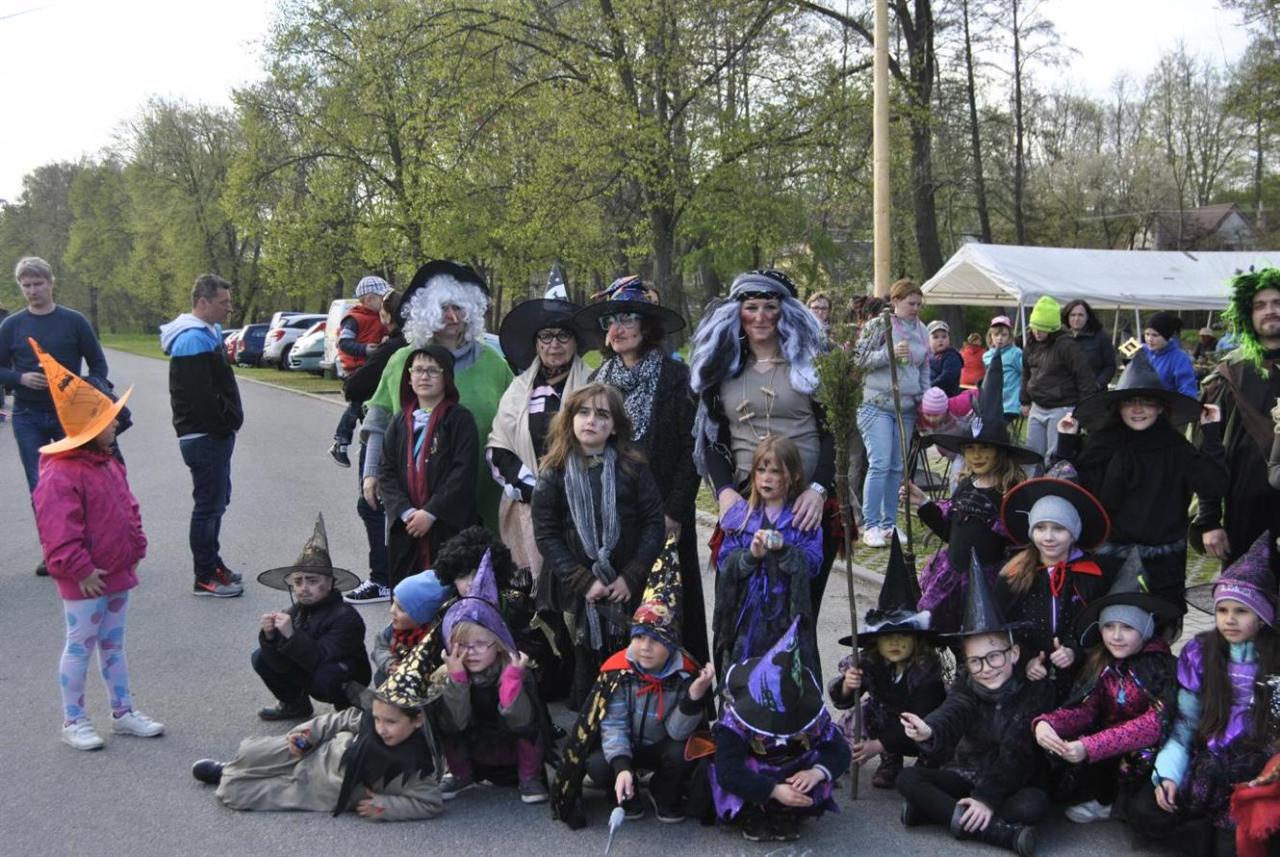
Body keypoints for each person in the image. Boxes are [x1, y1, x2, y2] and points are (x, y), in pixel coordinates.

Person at [28, 340, 163, 751]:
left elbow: (128, 507)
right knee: (80, 646)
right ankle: (74, 720)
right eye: (109, 419)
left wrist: (136, 548)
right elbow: (57, 530)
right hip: (84, 578)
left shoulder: (107, 462)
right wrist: (80, 569)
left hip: (117, 572)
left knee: (113, 645)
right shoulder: (60, 475)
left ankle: (123, 713)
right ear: (90, 430)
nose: (117, 423)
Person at [580, 276, 707, 662]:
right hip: (613, 519)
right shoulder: (597, 382)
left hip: (664, 516)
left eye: (627, 319)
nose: (617, 329)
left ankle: (678, 689)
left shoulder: (676, 378)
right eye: (610, 321)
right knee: (618, 611)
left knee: (666, 606)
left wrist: (674, 511)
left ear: (647, 326)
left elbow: (692, 449)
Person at [1129, 532, 1280, 855]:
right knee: (1145, 809)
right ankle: (1202, 831)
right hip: (1208, 760)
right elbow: (1185, 721)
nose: (1229, 620)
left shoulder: (1276, 659)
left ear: (1263, 616)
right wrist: (1169, 774)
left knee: (1240, 842)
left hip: (1258, 768)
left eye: (1242, 611)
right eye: (1222, 610)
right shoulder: (1201, 652)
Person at [897, 554, 1055, 857]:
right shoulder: (968, 684)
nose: (986, 668)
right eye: (975, 661)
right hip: (967, 772)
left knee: (1032, 806)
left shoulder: (1035, 689)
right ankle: (998, 834)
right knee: (908, 778)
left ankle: (936, 812)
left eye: (994, 656)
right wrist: (929, 729)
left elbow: (1018, 751)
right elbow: (954, 710)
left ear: (1013, 653)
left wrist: (986, 799)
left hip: (1013, 781)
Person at [1055, 349, 1227, 625]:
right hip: (1106, 560)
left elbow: (1212, 484)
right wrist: (1066, 442)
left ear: (1160, 408)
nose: (1138, 410)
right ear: (1118, 407)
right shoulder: (1102, 443)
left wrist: (1211, 434)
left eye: (1147, 403)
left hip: (1162, 564)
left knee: (1156, 630)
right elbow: (1066, 488)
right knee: (1104, 630)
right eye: (1130, 403)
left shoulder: (1175, 447)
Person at [551, 543, 713, 827]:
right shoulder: (619, 672)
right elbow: (613, 726)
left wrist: (693, 697)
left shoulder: (684, 675)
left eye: (656, 640)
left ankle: (664, 791)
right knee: (597, 763)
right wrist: (622, 767)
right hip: (625, 747)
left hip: (661, 745)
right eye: (639, 637)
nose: (645, 647)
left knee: (683, 752)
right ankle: (625, 791)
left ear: (672, 645)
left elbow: (677, 732)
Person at [532, 382, 665, 708]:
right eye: (583, 412)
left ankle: (627, 720)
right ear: (570, 419)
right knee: (583, 666)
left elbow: (653, 523)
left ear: (615, 426)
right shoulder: (553, 471)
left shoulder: (633, 467)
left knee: (627, 660)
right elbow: (546, 534)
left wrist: (631, 575)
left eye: (602, 415)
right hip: (574, 589)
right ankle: (588, 724)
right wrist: (582, 580)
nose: (591, 420)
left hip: (625, 585)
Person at [361, 260, 512, 536]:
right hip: (414, 497)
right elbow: (379, 419)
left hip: (481, 491)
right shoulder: (403, 361)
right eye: (443, 309)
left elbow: (517, 418)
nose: (453, 317)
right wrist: (371, 473)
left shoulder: (493, 362)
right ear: (427, 312)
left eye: (459, 308)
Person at [1031, 549, 1179, 826]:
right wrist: (1047, 723)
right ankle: (1105, 798)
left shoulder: (1162, 667)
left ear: (1145, 630)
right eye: (1109, 626)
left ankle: (1118, 802)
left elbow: (1154, 724)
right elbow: (1086, 709)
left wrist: (1090, 746)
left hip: (1152, 755)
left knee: (1147, 813)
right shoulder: (1104, 663)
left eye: (1128, 628)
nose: (1116, 636)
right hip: (1109, 752)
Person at [191, 672, 444, 822]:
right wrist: (308, 734)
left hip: (322, 789)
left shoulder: (417, 766)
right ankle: (233, 766)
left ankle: (229, 775)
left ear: (417, 720)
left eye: (391, 722)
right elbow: (338, 719)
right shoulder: (370, 720)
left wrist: (384, 806)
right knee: (253, 752)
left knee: (236, 792)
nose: (381, 728)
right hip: (318, 751)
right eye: (377, 718)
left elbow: (430, 803)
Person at [908, 350, 1041, 634]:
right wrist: (925, 504)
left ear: (1001, 453)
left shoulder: (1011, 493)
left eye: (985, 449)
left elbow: (1019, 548)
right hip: (952, 580)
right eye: (970, 449)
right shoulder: (966, 485)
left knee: (979, 636)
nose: (976, 456)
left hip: (988, 585)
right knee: (945, 634)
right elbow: (951, 533)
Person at [1, 256, 110, 576]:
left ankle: (83, 548)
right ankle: (54, 551)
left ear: (51, 283)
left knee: (77, 483)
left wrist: (83, 387)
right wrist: (19, 378)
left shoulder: (73, 321)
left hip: (69, 415)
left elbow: (99, 366)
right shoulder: (12, 326)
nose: (32, 290)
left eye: (38, 284)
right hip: (28, 414)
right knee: (41, 486)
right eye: (26, 285)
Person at [487, 295, 595, 594]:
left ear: (576, 342)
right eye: (546, 336)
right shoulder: (518, 390)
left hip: (582, 506)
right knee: (533, 597)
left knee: (576, 590)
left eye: (563, 336)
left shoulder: (594, 385)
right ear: (536, 344)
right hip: (528, 505)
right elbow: (499, 445)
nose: (554, 344)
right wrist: (534, 489)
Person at [709, 617, 851, 843]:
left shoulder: (812, 718)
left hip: (791, 770)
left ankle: (785, 811)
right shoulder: (736, 720)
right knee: (727, 769)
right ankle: (750, 810)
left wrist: (817, 773)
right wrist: (772, 790)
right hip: (752, 776)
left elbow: (840, 750)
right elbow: (727, 770)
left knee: (815, 763)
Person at [432, 550, 554, 804]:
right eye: (462, 645)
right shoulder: (450, 671)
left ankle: (529, 777)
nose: (471, 652)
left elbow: (522, 722)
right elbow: (456, 723)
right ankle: (460, 773)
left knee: (528, 728)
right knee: (445, 720)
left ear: (498, 645)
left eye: (479, 644)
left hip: (510, 751)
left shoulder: (514, 668)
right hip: (475, 750)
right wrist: (457, 680)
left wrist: (512, 681)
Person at [829, 531, 945, 789]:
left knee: (926, 729)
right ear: (876, 642)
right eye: (887, 637)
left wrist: (877, 745)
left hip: (919, 726)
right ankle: (887, 760)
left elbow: (923, 714)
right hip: (885, 720)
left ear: (916, 640)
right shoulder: (870, 662)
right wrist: (848, 685)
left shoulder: (926, 669)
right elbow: (843, 699)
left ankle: (928, 762)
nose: (895, 643)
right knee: (865, 712)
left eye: (903, 635)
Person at [159, 273, 244, 597]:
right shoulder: (192, 339)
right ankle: (204, 576)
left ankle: (213, 563)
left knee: (217, 502)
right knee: (208, 506)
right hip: (204, 436)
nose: (229, 308)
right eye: (223, 302)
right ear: (203, 302)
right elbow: (200, 397)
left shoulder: (209, 331)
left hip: (213, 435)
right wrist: (223, 424)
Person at [712, 435, 822, 678]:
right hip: (747, 618)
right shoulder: (741, 516)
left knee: (784, 679)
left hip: (786, 618)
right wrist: (750, 556)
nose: (766, 478)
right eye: (761, 470)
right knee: (745, 677)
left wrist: (784, 551)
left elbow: (813, 564)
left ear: (793, 476)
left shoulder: (800, 520)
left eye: (775, 471)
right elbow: (725, 561)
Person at [997, 474, 1114, 702]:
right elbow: (1002, 626)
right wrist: (1025, 660)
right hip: (1028, 682)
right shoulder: (1013, 574)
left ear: (1073, 534)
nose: (1048, 537)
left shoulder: (1092, 574)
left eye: (1058, 529)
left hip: (1081, 680)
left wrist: (1074, 650)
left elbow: (1100, 623)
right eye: (1040, 528)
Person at [1194, 267, 1280, 565]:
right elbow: (1207, 448)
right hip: (1244, 512)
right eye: (1260, 305)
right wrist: (1209, 519)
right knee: (1244, 593)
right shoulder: (1229, 374)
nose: (1270, 311)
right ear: (1247, 314)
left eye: (1277, 303)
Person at [377, 346, 479, 589]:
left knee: (449, 591)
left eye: (433, 371)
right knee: (407, 594)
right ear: (409, 378)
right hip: (408, 527)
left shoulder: (459, 419)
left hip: (447, 525)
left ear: (447, 378)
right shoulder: (399, 421)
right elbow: (386, 471)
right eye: (418, 370)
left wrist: (430, 513)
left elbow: (462, 472)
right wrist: (406, 512)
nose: (424, 376)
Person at [252, 515, 371, 721]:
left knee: (328, 675)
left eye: (312, 581)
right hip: (312, 668)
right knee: (260, 657)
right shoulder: (294, 612)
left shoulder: (346, 617)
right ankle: (295, 704)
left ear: (330, 584)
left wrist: (291, 635)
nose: (304, 588)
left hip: (344, 675)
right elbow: (279, 665)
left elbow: (321, 657)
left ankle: (349, 710)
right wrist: (270, 638)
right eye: (298, 582)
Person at [851, 278, 929, 548]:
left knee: (897, 467)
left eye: (919, 304)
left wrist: (924, 398)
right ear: (895, 301)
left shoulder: (922, 330)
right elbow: (858, 360)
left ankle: (889, 523)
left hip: (906, 408)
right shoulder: (879, 325)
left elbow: (924, 367)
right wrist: (889, 354)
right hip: (876, 405)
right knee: (880, 463)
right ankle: (870, 524)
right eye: (911, 303)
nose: (916, 308)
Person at [342, 289, 405, 604]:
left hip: (385, 435)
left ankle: (382, 578)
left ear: (387, 316)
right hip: (408, 438)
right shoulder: (416, 348)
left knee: (371, 503)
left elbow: (355, 386)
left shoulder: (392, 349)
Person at [1021, 295, 1096, 468]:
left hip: (1062, 407)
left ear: (1053, 328)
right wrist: (1024, 400)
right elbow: (1025, 373)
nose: (1037, 332)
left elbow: (1085, 378)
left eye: (1043, 329)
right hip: (1037, 405)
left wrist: (1083, 410)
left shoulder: (1068, 346)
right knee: (1031, 455)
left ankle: (1053, 482)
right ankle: (1032, 484)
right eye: (1035, 327)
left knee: (1054, 457)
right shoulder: (1030, 344)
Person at [329, 275, 391, 467]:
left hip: (372, 369)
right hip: (357, 369)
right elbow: (344, 343)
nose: (385, 303)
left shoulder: (381, 318)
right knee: (357, 404)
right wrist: (365, 349)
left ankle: (368, 440)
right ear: (370, 299)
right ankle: (341, 441)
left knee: (369, 406)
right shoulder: (354, 319)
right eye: (382, 298)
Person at [371, 571, 446, 685]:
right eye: (393, 602)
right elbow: (380, 647)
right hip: (392, 681)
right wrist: (390, 663)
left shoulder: (435, 640)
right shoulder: (394, 629)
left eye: (401, 608)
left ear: (421, 617)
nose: (392, 610)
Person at [1062, 299, 1117, 392]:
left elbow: (1110, 366)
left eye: (1080, 315)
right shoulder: (1061, 337)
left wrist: (1098, 384)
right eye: (1073, 315)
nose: (1076, 319)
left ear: (1087, 317)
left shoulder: (1101, 336)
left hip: (1094, 394)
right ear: (1067, 316)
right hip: (1067, 394)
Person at [1143, 311, 1199, 399]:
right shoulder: (1142, 350)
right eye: (1147, 334)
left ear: (1166, 336)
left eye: (1155, 335)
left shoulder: (1180, 359)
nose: (1149, 339)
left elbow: (1188, 392)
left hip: (1166, 404)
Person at [984, 315, 1023, 423]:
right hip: (992, 402)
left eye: (1004, 335)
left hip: (1010, 405)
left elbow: (1026, 374)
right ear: (990, 336)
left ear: (1010, 336)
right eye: (996, 335)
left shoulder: (1016, 353)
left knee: (995, 427)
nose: (1000, 338)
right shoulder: (987, 356)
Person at [927, 320, 962, 396]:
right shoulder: (930, 357)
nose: (940, 340)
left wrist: (928, 387)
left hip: (947, 397)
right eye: (935, 337)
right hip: (931, 395)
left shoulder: (952, 357)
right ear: (928, 341)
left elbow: (946, 378)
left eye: (944, 336)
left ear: (949, 339)